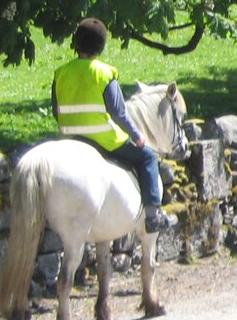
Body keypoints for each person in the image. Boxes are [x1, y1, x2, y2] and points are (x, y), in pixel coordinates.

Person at [52, 18, 177, 233]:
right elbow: (119, 113)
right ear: (101, 46)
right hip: (103, 139)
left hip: (70, 139)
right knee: (148, 157)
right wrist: (137, 136)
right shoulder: (105, 73)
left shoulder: (61, 72)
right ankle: (152, 216)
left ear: (76, 43)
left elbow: (56, 110)